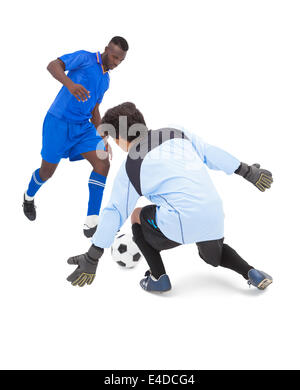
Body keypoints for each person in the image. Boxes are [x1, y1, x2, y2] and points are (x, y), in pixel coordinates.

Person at [66, 102, 274, 292]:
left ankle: (158, 277)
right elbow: (210, 153)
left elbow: (115, 212)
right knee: (212, 256)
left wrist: (92, 257)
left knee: (137, 214)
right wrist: (247, 171)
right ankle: (251, 272)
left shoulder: (131, 166)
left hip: (180, 224)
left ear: (119, 138)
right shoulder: (176, 132)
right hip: (214, 213)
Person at [23, 37, 128, 237]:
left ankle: (92, 221)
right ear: (106, 49)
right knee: (46, 172)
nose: (116, 63)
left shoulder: (106, 80)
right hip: (58, 123)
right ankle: (28, 197)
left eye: (120, 61)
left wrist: (103, 138)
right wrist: (70, 84)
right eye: (114, 57)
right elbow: (52, 65)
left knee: (103, 161)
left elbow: (95, 108)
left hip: (82, 127)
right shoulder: (85, 58)